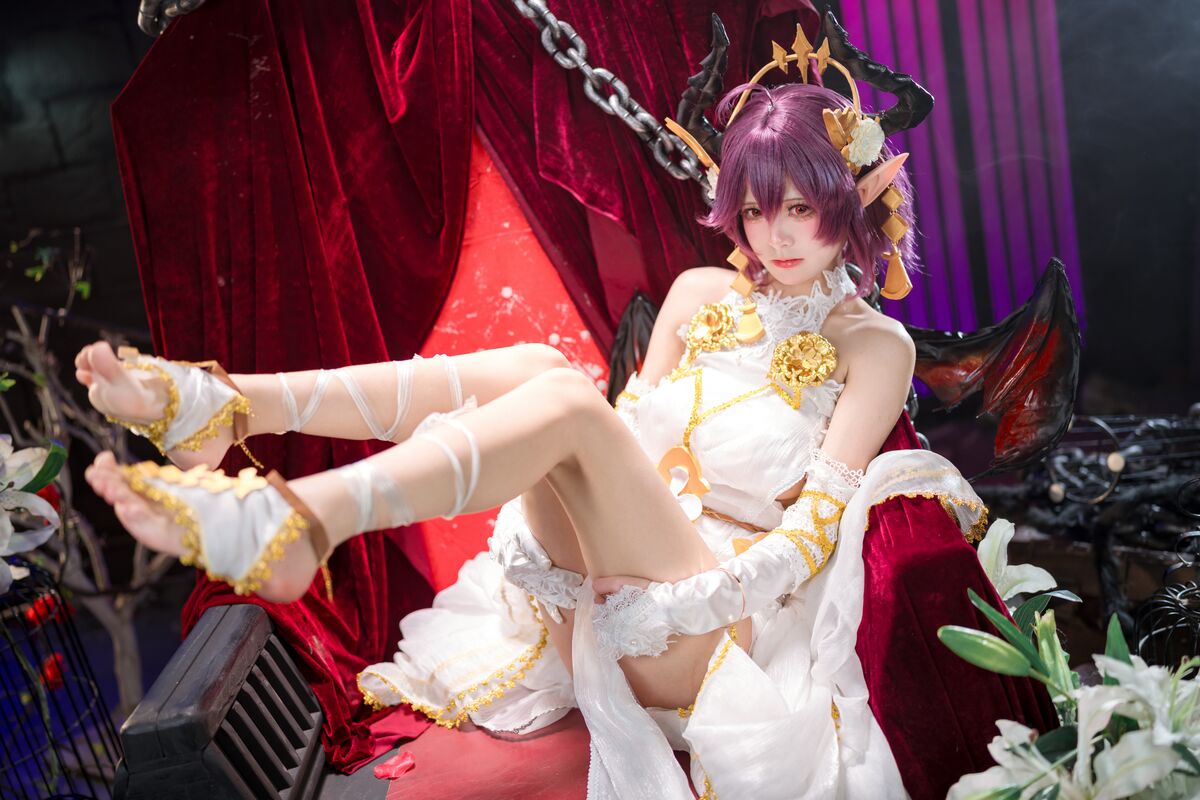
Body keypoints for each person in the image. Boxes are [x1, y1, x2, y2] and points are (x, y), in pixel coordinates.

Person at [75, 23, 1041, 799]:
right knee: (547, 374)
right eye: (755, 209)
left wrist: (675, 604)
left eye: (799, 208)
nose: (774, 235)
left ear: (849, 203)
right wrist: (605, 569)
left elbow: (810, 539)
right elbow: (626, 441)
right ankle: (232, 404)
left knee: (567, 403)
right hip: (600, 583)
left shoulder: (875, 347)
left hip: (716, 629)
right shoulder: (700, 294)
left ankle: (303, 515)